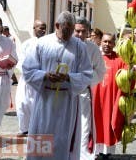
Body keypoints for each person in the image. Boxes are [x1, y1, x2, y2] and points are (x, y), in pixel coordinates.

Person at [22, 11, 94, 159]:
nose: (69, 34)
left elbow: (87, 74)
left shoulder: (79, 47)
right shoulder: (42, 43)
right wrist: (45, 75)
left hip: (66, 101)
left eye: (71, 30)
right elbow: (27, 70)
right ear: (57, 26)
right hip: (45, 98)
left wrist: (69, 78)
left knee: (62, 140)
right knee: (42, 136)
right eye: (66, 30)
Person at [74, 17, 106, 160]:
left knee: (84, 124)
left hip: (83, 92)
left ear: (88, 32)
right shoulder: (66, 45)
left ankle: (82, 154)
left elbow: (100, 71)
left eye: (83, 31)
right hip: (65, 92)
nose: (80, 34)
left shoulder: (93, 48)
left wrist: (84, 78)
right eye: (77, 31)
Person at [91, 33, 125, 155]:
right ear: (100, 42)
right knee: (94, 126)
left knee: (108, 125)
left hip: (110, 101)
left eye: (110, 42)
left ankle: (108, 154)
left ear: (114, 44)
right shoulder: (93, 57)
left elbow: (127, 80)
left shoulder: (120, 60)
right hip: (94, 99)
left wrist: (131, 72)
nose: (107, 44)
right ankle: (93, 153)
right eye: (105, 41)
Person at [15, 20, 46, 136]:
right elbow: (21, 60)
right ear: (34, 28)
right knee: (22, 103)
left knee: (37, 105)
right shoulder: (26, 44)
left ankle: (37, 129)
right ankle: (24, 129)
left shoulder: (48, 43)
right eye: (40, 27)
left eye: (44, 28)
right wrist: (29, 73)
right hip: (26, 79)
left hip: (40, 79)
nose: (43, 30)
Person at [0, 16, 18, 137]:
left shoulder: (8, 41)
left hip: (4, 77)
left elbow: (15, 58)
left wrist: (10, 65)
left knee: (2, 105)